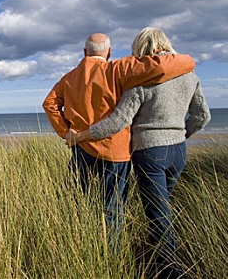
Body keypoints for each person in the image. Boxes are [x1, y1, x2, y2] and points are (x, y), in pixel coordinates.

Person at [74, 27, 211, 278]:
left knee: (158, 212)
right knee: (162, 206)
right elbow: (203, 116)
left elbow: (119, 121)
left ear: (140, 47)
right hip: (178, 151)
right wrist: (180, 135)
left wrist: (83, 135)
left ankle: (170, 270)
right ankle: (156, 255)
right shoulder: (189, 75)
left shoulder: (142, 80)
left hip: (150, 152)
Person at [42, 33, 196, 250]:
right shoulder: (117, 69)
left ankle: (74, 247)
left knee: (76, 203)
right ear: (110, 52)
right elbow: (162, 67)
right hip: (115, 151)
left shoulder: (69, 77)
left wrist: (66, 132)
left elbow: (49, 104)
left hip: (81, 148)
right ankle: (110, 255)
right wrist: (189, 60)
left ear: (85, 52)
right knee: (112, 209)